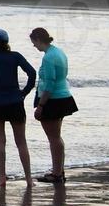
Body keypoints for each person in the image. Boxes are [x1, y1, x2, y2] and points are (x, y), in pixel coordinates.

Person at [0, 28, 37, 187]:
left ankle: (2, 178)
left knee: (0, 142)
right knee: (21, 142)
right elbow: (32, 73)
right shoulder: (15, 56)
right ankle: (29, 179)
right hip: (15, 103)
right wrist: (24, 92)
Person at [29, 26, 79, 184]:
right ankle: (58, 171)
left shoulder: (49, 57)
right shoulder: (58, 52)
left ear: (38, 39)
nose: (34, 46)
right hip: (63, 96)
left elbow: (49, 84)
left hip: (53, 100)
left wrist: (41, 106)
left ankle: (57, 174)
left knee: (54, 138)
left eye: (34, 42)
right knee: (56, 137)